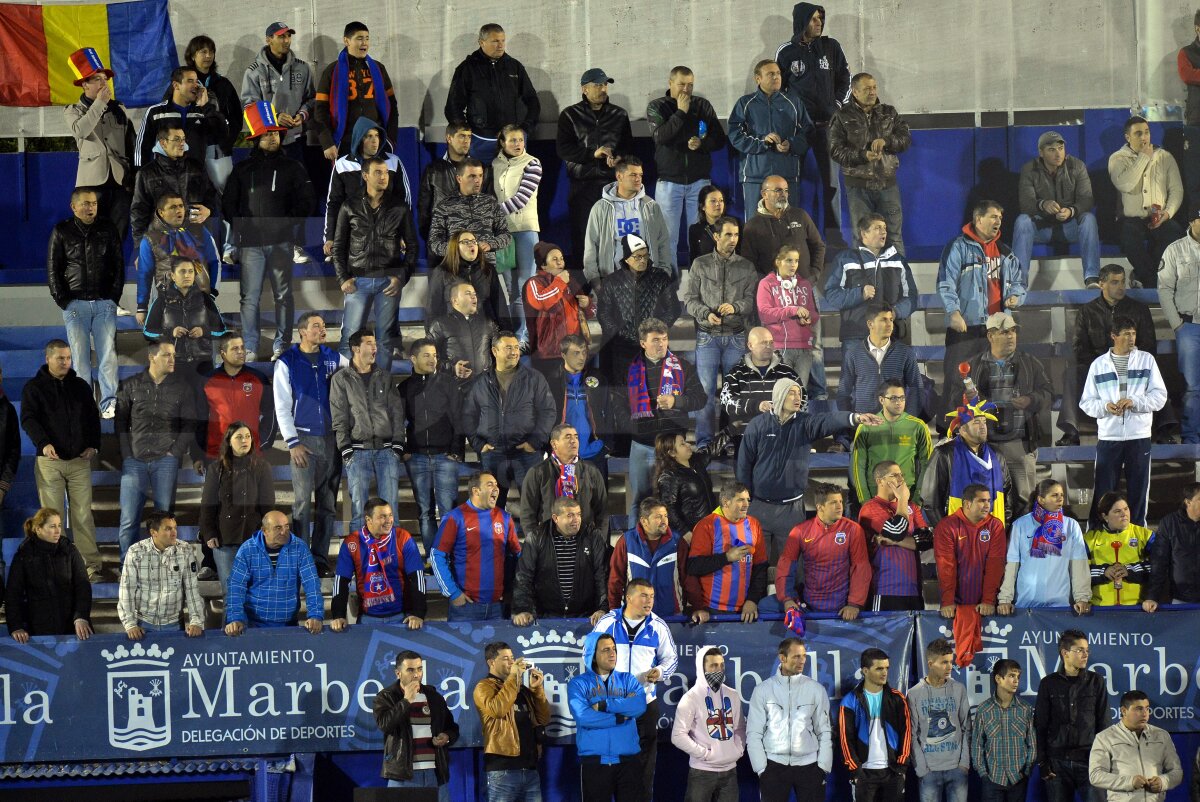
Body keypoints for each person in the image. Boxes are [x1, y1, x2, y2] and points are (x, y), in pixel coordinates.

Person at [738, 378, 881, 559]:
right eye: (792, 392)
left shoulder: (805, 424)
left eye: (799, 393)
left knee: (792, 565)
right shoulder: (757, 425)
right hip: (759, 507)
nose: (798, 397)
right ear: (780, 395)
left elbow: (829, 420)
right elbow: (744, 464)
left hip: (791, 509)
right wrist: (746, 501)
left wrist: (855, 418)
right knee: (755, 565)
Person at [222, 101, 316, 359]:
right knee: (248, 299)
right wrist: (242, 230)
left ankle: (282, 345)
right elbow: (229, 203)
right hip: (250, 244)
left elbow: (307, 200)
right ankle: (250, 345)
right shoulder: (242, 169)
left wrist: (287, 223)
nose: (272, 137)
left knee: (283, 296)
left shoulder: (293, 167)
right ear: (256, 138)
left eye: (275, 132)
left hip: (281, 243)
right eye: (267, 133)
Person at [940, 312, 1053, 504]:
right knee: (987, 500)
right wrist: (965, 401)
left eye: (1013, 331)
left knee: (1025, 500)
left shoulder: (1030, 363)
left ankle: (1020, 535)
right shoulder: (972, 366)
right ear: (990, 336)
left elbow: (1048, 392)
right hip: (984, 445)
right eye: (1004, 332)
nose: (1010, 336)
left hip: (1019, 444)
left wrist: (1031, 399)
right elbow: (954, 402)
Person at [1058, 263, 1172, 446]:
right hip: (1097, 366)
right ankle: (1071, 432)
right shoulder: (1087, 311)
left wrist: (1130, 360)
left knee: (1155, 371)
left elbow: (1149, 345)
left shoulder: (1139, 309)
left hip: (1134, 363)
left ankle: (1163, 429)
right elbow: (1079, 347)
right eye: (1115, 282)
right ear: (1102, 284)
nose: (1121, 287)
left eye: (1123, 282)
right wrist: (1103, 364)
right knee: (1072, 374)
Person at [20, 340, 102, 581]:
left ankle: (90, 566)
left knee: (83, 514)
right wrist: (43, 443)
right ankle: (54, 566)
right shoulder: (33, 388)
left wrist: (94, 445)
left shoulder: (80, 387)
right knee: (52, 517)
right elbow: (28, 419)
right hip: (49, 463)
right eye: (61, 358)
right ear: (48, 359)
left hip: (78, 461)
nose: (66, 362)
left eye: (68, 358)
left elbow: (92, 419)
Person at [274, 312, 349, 575]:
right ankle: (300, 558)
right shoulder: (287, 361)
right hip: (303, 440)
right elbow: (281, 406)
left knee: (327, 505)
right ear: (302, 332)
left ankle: (319, 559)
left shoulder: (335, 358)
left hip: (331, 440)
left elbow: (356, 377)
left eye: (324, 326)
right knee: (303, 503)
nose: (322, 330)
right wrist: (292, 442)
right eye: (316, 326)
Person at [593, 577, 679, 798]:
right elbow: (589, 658)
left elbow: (671, 659)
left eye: (651, 597)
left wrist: (659, 672)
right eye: (643, 596)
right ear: (628, 597)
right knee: (608, 765)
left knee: (643, 769)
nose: (649, 601)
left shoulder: (658, 626)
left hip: (644, 705)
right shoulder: (607, 623)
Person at [1079, 315, 1167, 527]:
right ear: (1113, 336)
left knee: (1139, 491)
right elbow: (1086, 402)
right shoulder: (1098, 365)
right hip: (1109, 437)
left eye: (1133, 333)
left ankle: (1137, 537)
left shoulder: (1147, 360)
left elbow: (1160, 397)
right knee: (1104, 490)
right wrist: (1105, 407)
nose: (1131, 338)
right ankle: (1098, 536)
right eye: (1126, 334)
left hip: (1139, 436)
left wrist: (1134, 402)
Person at [115, 342, 198, 559]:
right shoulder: (130, 385)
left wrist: (175, 453)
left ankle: (165, 567)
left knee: (166, 521)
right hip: (134, 460)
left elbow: (190, 423)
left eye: (173, 355)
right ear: (152, 357)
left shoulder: (182, 387)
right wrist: (127, 455)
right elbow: (120, 423)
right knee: (129, 519)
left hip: (166, 460)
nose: (172, 359)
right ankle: (128, 568)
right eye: (166, 355)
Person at [618, 317, 705, 522]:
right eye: (656, 340)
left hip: (671, 447)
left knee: (671, 501)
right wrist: (633, 428)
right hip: (642, 444)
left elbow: (700, 398)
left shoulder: (683, 366)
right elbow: (618, 405)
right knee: (639, 499)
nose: (661, 344)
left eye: (664, 339)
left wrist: (677, 402)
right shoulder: (629, 370)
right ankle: (634, 548)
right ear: (643, 343)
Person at [47, 187, 124, 418]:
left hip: (104, 304)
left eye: (94, 203)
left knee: (107, 355)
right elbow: (53, 269)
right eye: (86, 203)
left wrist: (113, 299)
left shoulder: (108, 229)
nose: (91, 207)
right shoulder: (61, 231)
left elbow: (118, 265)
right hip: (75, 305)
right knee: (79, 359)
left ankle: (109, 402)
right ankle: (85, 404)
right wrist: (63, 301)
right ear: (74, 206)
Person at [333, 156, 416, 368]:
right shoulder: (348, 206)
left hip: (388, 282)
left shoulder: (399, 207)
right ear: (365, 175)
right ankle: (347, 382)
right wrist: (343, 278)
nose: (384, 177)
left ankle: (383, 386)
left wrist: (401, 278)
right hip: (357, 281)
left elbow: (413, 247)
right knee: (349, 336)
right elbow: (339, 246)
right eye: (378, 172)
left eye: (386, 173)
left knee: (385, 339)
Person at [936, 200, 1026, 394]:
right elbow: (945, 283)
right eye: (994, 216)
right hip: (965, 327)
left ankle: (991, 425)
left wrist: (1016, 296)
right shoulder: (957, 247)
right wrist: (953, 312)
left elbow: (1019, 282)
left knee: (993, 385)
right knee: (957, 384)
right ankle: (951, 425)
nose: (999, 222)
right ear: (978, 219)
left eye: (1000, 218)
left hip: (996, 330)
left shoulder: (1006, 252)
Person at [776, 3, 851, 232]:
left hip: (828, 127)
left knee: (831, 184)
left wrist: (836, 105)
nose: (819, 23)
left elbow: (845, 79)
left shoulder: (831, 47)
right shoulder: (786, 52)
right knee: (792, 182)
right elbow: (778, 89)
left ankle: (834, 235)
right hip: (798, 130)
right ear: (802, 21)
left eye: (820, 19)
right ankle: (792, 232)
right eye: (814, 19)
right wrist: (791, 117)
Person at [685, 215, 757, 449]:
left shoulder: (746, 266)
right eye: (728, 234)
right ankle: (705, 442)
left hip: (736, 337)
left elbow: (750, 300)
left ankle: (732, 438)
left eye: (736, 234)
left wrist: (735, 307)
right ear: (716, 236)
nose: (733, 239)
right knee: (705, 392)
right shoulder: (700, 264)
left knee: (734, 392)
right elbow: (689, 299)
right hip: (707, 337)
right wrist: (706, 313)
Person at [464, 332, 556, 509]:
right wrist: (477, 443)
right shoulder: (480, 382)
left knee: (534, 508)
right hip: (493, 454)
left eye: (516, 347)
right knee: (492, 511)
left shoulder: (534, 378)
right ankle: (496, 538)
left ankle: (532, 538)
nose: (514, 352)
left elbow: (548, 411)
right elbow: (468, 416)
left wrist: (535, 441)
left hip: (527, 453)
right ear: (494, 351)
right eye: (508, 348)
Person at [646, 66, 727, 264]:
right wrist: (681, 112)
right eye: (681, 84)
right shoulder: (657, 106)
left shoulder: (702, 106)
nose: (686, 89)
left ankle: (700, 284)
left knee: (701, 237)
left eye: (690, 85)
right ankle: (669, 288)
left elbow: (719, 139)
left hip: (699, 182)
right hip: (668, 183)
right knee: (667, 239)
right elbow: (660, 137)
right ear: (670, 83)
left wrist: (702, 144)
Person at [330, 330, 405, 533]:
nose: (374, 348)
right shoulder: (341, 379)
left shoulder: (385, 377)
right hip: (357, 452)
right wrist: (346, 449)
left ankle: (392, 563)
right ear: (356, 348)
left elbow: (397, 413)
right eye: (370, 343)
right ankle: (360, 562)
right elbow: (339, 417)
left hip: (387, 451)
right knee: (359, 513)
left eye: (375, 343)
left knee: (391, 513)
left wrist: (398, 445)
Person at [556, 68, 634, 262]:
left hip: (613, 186)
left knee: (615, 239)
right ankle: (585, 286)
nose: (603, 89)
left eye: (605, 84)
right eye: (598, 85)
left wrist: (619, 159)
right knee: (583, 240)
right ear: (584, 89)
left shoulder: (619, 115)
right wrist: (592, 154)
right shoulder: (570, 115)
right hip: (582, 186)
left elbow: (628, 148)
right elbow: (564, 150)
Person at [829, 74, 911, 254]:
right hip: (858, 188)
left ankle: (898, 280)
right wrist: (862, 155)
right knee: (862, 237)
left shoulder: (889, 113)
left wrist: (887, 141)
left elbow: (905, 139)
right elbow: (835, 151)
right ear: (855, 91)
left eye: (874, 87)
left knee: (893, 236)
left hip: (888, 185)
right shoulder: (842, 116)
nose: (872, 92)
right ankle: (863, 281)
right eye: (867, 89)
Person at [745, 638, 831, 802]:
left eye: (804, 656)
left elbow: (825, 730)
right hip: (773, 767)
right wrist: (761, 769)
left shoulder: (816, 689)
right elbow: (754, 732)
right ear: (782, 658)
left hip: (810, 768)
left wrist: (823, 767)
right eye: (796, 656)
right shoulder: (762, 690)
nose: (802, 661)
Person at [567, 631, 646, 802]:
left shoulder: (628, 680)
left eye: (614, 649)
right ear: (592, 656)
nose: (612, 654)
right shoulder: (578, 684)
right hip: (595, 763)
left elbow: (639, 706)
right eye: (605, 650)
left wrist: (604, 705)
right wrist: (619, 717)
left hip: (628, 762)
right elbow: (583, 717)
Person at [400, 338, 463, 554]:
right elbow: (397, 421)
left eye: (435, 355)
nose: (432, 359)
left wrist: (456, 450)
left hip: (445, 456)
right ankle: (433, 557)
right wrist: (405, 450)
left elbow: (458, 418)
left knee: (448, 511)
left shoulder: (448, 383)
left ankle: (449, 557)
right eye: (426, 355)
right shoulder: (405, 387)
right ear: (413, 358)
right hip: (417, 457)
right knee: (425, 511)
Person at [1014, 131, 1100, 287]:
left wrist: (1071, 211)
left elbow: (1087, 199)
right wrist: (1043, 205)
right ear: (1041, 152)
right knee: (1022, 221)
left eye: (1060, 148)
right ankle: (1019, 283)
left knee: (1089, 219)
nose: (1058, 153)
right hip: (1043, 229)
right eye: (1051, 150)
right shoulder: (1029, 169)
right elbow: (1025, 204)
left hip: (1069, 227)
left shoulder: (1077, 165)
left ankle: (1092, 278)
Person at [432, 471, 521, 622]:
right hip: (466, 607)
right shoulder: (455, 517)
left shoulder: (505, 518)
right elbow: (437, 555)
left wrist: (511, 592)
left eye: (497, 485)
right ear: (476, 491)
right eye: (490, 484)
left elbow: (517, 555)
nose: (496, 488)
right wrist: (453, 593)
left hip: (498, 607)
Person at [65, 48, 134, 240]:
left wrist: (132, 176)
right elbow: (81, 130)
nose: (104, 83)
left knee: (118, 234)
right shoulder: (73, 110)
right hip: (91, 183)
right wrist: (99, 104)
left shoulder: (118, 109)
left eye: (105, 78)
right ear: (84, 84)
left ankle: (115, 270)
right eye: (97, 79)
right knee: (91, 234)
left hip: (120, 181)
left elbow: (131, 142)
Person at [445, 23, 540, 161]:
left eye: (502, 41)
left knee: (512, 182)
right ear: (481, 42)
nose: (500, 45)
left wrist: (525, 130)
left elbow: (532, 101)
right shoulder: (467, 68)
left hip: (510, 142)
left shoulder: (514, 67)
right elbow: (453, 107)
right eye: (495, 41)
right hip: (479, 143)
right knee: (479, 182)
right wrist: (468, 136)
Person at [834, 303, 923, 451]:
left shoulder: (905, 352)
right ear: (870, 324)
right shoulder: (854, 354)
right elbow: (843, 393)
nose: (889, 324)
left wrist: (908, 419)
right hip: (865, 425)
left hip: (896, 425)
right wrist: (854, 421)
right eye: (883, 320)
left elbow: (916, 388)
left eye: (891, 319)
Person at [1108, 115, 1184, 288]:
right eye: (1138, 134)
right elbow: (1125, 184)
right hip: (1131, 219)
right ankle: (1151, 281)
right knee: (1130, 239)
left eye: (1147, 132)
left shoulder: (1165, 157)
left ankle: (1144, 275)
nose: (1144, 137)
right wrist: (1143, 158)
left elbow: (1177, 189)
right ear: (1128, 137)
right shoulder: (1117, 158)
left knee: (1174, 234)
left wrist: (1168, 213)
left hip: (1159, 216)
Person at [776, 483, 872, 619]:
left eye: (840, 501)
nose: (840, 506)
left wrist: (854, 604)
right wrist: (787, 599)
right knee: (764, 606)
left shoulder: (853, 530)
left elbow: (861, 567)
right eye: (833, 503)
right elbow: (785, 567)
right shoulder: (800, 531)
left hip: (842, 606)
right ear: (819, 507)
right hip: (808, 605)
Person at [373, 650, 460, 800]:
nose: (416, 674)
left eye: (420, 669)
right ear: (398, 673)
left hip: (435, 773)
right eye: (410, 670)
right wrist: (406, 700)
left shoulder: (433, 696)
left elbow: (452, 727)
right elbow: (384, 724)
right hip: (403, 775)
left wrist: (446, 736)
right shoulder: (386, 696)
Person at [728, 61, 812, 216]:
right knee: (755, 226)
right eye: (770, 74)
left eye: (778, 73)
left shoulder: (794, 102)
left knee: (788, 224)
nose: (776, 77)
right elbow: (735, 135)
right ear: (758, 79)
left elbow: (807, 133)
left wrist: (791, 144)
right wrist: (763, 142)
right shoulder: (745, 103)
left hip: (787, 176)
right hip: (755, 176)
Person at [324, 118, 414, 262]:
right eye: (369, 136)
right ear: (359, 139)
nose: (374, 141)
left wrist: (403, 234)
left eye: (377, 136)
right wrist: (330, 237)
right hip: (352, 239)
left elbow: (404, 202)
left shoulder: (393, 162)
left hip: (387, 237)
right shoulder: (342, 165)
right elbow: (334, 204)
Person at [1034, 630, 1108, 802]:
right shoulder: (1048, 683)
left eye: (1087, 650)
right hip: (1057, 764)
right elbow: (1041, 725)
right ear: (1065, 653)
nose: (1085, 654)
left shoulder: (1096, 681)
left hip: (1090, 761)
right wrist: (1043, 762)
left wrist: (1103, 760)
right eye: (1080, 650)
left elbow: (1103, 723)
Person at [329, 498, 426, 630]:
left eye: (390, 515)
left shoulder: (403, 538)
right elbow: (341, 581)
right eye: (382, 517)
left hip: (402, 618)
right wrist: (338, 615)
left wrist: (418, 613)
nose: (389, 520)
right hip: (367, 619)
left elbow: (417, 577)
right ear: (368, 520)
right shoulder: (352, 543)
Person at [595, 238, 682, 384]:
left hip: (653, 347)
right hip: (622, 349)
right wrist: (620, 334)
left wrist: (655, 332)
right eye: (638, 257)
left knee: (654, 392)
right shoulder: (612, 281)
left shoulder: (660, 277)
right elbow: (604, 313)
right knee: (624, 395)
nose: (643, 260)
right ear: (627, 259)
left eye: (646, 256)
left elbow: (674, 308)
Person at [199, 422, 274, 588]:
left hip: (254, 539)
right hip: (225, 540)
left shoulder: (262, 467)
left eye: (247, 436)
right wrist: (209, 533)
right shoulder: (216, 469)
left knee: (255, 592)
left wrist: (268, 535)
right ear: (229, 441)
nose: (244, 440)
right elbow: (208, 505)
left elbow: (268, 506)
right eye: (239, 437)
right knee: (232, 593)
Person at [473, 642, 551, 802]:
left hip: (530, 769)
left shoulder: (521, 689)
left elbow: (544, 719)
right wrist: (513, 677)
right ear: (491, 662)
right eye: (506, 658)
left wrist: (537, 690)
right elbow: (498, 710)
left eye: (512, 658)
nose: (511, 662)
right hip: (502, 770)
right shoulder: (483, 686)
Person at [512, 497, 608, 625]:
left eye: (578, 514)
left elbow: (602, 575)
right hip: (546, 617)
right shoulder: (536, 537)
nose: (576, 520)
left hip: (586, 617)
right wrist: (523, 609)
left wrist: (602, 608)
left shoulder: (593, 536)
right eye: (570, 515)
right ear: (555, 518)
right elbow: (523, 576)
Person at [998, 480, 1090, 613]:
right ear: (1041, 499)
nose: (1060, 499)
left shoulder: (1071, 526)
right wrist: (1005, 600)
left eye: (1062, 495)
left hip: (1060, 604)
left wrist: (1082, 598)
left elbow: (1079, 566)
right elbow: (1012, 565)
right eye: (1054, 495)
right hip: (1026, 604)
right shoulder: (1020, 525)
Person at [224, 510, 324, 633]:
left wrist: (315, 615)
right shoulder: (247, 550)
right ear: (264, 531)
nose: (284, 532)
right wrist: (235, 618)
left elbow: (312, 583)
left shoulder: (300, 548)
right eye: (278, 528)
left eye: (286, 526)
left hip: (289, 625)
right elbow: (236, 586)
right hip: (253, 625)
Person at [918, 398, 1013, 526]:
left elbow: (1007, 495)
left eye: (984, 422)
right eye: (976, 422)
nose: (982, 426)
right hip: (956, 533)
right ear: (962, 430)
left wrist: (1003, 527)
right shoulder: (944, 454)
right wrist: (946, 531)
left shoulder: (997, 455)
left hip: (992, 534)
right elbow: (930, 501)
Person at [836, 648, 913, 802]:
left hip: (892, 771)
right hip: (863, 773)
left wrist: (901, 767)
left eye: (886, 668)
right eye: (879, 668)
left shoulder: (898, 698)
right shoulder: (850, 701)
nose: (884, 672)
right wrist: (856, 770)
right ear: (865, 670)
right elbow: (845, 740)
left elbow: (907, 734)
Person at [825, 214, 917, 342]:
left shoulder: (898, 261)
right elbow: (831, 294)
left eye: (884, 227)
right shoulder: (845, 259)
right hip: (856, 335)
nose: (883, 231)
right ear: (864, 234)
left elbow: (911, 296)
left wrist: (895, 312)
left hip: (891, 335)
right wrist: (860, 294)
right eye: (877, 228)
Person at [5, 508, 93, 642]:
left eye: (59, 525)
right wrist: (16, 627)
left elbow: (83, 586)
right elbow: (13, 593)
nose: (58, 531)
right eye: (52, 526)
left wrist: (81, 617)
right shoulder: (24, 554)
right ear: (38, 529)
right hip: (38, 630)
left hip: (73, 627)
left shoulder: (69, 549)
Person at [130, 120, 220, 250]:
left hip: (195, 240)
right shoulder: (146, 173)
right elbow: (138, 213)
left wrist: (209, 210)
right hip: (161, 244)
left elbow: (211, 195)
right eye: (176, 139)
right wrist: (140, 248)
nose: (182, 143)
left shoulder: (197, 168)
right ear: (163, 143)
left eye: (183, 139)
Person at [584, 156, 674, 286]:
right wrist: (595, 281)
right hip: (612, 281)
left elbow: (663, 243)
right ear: (619, 176)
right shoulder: (600, 208)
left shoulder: (651, 206)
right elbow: (591, 247)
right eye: (633, 175)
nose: (638, 179)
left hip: (648, 281)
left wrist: (664, 274)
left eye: (640, 175)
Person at [134, 190, 220, 326]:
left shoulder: (200, 231)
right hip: (166, 303)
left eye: (181, 206)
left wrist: (212, 293)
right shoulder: (150, 239)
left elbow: (215, 262)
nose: (179, 210)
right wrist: (142, 307)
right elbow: (144, 274)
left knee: (199, 343)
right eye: (173, 207)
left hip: (199, 301)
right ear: (161, 212)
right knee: (167, 345)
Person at [314, 21, 397, 160]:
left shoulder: (378, 69)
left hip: (375, 142)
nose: (364, 43)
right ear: (346, 41)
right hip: (345, 142)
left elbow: (392, 106)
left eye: (367, 38)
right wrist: (327, 142)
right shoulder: (332, 71)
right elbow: (320, 110)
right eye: (359, 38)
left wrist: (391, 140)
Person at [673, 645, 747, 802]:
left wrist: (738, 750)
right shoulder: (690, 698)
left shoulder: (732, 695)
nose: (719, 670)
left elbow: (740, 728)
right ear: (702, 668)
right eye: (713, 665)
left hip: (730, 772)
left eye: (721, 665)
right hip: (702, 773)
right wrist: (705, 754)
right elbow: (678, 736)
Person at [686, 482, 768, 623]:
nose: (746, 504)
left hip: (746, 610)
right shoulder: (707, 525)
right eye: (740, 500)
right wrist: (727, 557)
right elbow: (694, 566)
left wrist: (753, 600)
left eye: (747, 500)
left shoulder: (754, 525)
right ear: (726, 502)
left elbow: (760, 567)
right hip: (712, 610)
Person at [117, 510, 205, 640]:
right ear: (154, 532)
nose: (174, 532)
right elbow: (127, 590)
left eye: (175, 528)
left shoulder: (185, 550)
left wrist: (196, 621)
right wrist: (130, 624)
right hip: (142, 627)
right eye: (168, 529)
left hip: (175, 624)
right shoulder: (135, 552)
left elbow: (192, 589)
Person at [494, 123, 544, 343]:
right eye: (512, 140)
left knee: (526, 285)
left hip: (525, 231)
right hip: (503, 233)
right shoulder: (494, 164)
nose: (517, 144)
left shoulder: (532, 163)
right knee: (510, 287)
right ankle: (517, 333)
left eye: (520, 139)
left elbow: (522, 198)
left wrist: (490, 213)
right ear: (503, 142)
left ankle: (527, 334)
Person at [859, 461, 931, 611]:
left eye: (901, 475)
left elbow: (927, 540)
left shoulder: (912, 507)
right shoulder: (870, 508)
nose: (901, 479)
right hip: (885, 588)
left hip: (914, 589)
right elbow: (897, 530)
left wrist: (894, 542)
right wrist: (903, 499)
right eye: (894, 475)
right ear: (880, 481)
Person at [1156, 205, 1200, 443]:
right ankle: (1192, 437)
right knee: (1193, 387)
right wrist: (1177, 325)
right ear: (1192, 221)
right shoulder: (1175, 250)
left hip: (1189, 328)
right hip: (1189, 326)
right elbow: (1164, 289)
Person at [907, 639, 971, 802]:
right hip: (929, 771)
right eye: (944, 662)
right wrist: (922, 769)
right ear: (930, 663)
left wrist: (963, 764)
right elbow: (912, 734)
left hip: (957, 769)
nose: (949, 667)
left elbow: (967, 728)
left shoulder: (959, 689)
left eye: (951, 661)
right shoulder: (914, 694)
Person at [240, 22, 316, 157]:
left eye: (289, 36)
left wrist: (302, 115)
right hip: (267, 140)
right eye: (281, 36)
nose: (287, 41)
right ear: (268, 39)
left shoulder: (303, 68)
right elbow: (249, 106)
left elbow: (311, 98)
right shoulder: (254, 71)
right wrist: (274, 118)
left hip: (296, 138)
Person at [1090, 691, 1182, 802]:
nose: (1145, 714)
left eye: (1147, 708)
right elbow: (1096, 775)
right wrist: (1130, 782)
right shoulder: (1105, 737)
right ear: (1124, 711)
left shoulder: (1161, 735)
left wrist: (1163, 782)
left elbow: (1177, 772)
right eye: (1139, 709)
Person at [851, 379, 933, 504]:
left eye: (902, 398)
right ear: (881, 400)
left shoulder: (918, 426)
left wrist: (918, 499)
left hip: (907, 495)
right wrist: (865, 501)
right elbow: (858, 466)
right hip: (875, 496)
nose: (899, 402)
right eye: (894, 398)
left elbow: (927, 464)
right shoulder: (865, 427)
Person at [719, 327, 801, 451]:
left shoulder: (788, 373)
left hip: (781, 440)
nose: (768, 346)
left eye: (771, 342)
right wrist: (756, 406)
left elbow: (802, 402)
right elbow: (727, 402)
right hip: (746, 440)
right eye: (763, 342)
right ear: (750, 345)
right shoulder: (735, 374)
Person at [143, 256, 226, 376]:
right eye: (182, 271)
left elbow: (222, 331)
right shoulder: (162, 300)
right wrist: (170, 333)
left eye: (190, 271)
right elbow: (147, 332)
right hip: (172, 363)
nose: (187, 275)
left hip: (203, 363)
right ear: (173, 276)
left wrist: (204, 331)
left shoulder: (205, 299)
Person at [198, 333, 275, 461]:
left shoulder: (259, 379)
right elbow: (199, 419)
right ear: (223, 354)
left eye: (242, 347)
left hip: (251, 453)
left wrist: (261, 442)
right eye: (235, 349)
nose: (241, 352)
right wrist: (198, 454)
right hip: (217, 454)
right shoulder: (207, 380)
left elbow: (271, 412)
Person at [934, 484, 1006, 620]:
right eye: (981, 501)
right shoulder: (947, 526)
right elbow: (946, 567)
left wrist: (988, 600)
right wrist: (948, 601)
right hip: (955, 605)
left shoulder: (995, 526)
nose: (987, 505)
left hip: (986, 605)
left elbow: (995, 565)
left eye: (989, 501)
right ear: (967, 503)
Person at [134, 64, 228, 170]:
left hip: (194, 177)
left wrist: (206, 107)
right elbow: (142, 147)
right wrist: (139, 174)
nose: (196, 85)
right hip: (164, 178)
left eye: (196, 81)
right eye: (190, 81)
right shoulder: (156, 112)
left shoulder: (203, 112)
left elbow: (222, 133)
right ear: (176, 85)